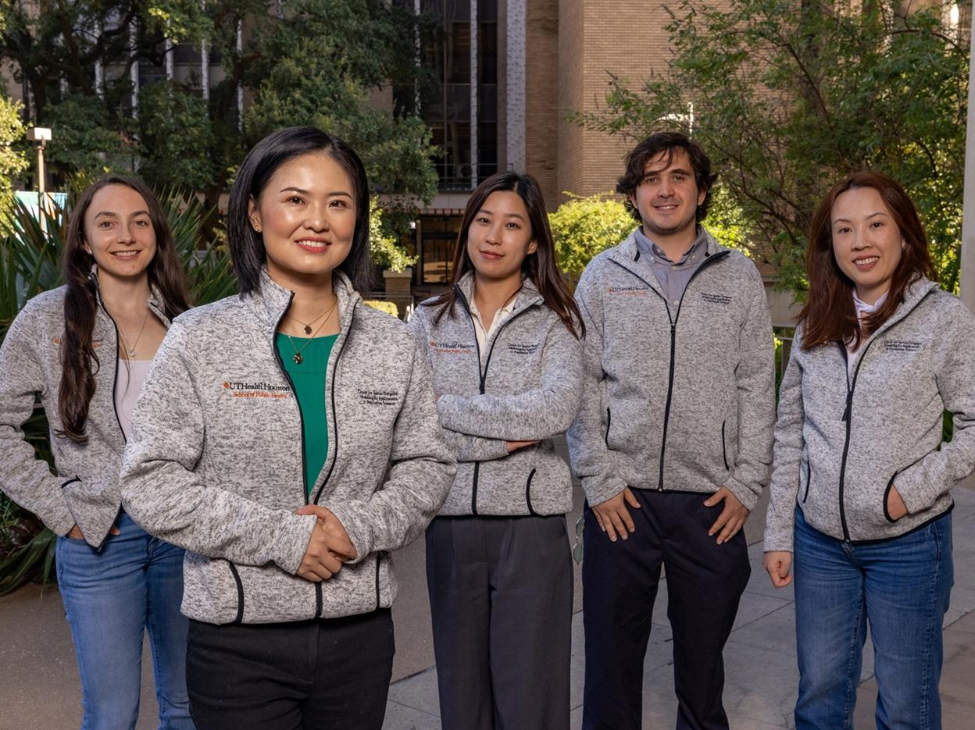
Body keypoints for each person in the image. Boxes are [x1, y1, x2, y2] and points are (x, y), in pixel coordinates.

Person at [118, 126, 455, 730]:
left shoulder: (395, 345)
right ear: (254, 211)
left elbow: (427, 467)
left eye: (338, 202)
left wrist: (356, 527)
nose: (317, 220)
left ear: (357, 219)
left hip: (360, 640)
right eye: (295, 199)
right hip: (238, 645)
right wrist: (282, 538)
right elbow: (150, 480)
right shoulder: (200, 338)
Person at [567, 131, 776, 729]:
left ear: (701, 190)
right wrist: (599, 480)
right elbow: (581, 381)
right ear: (633, 195)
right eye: (651, 179)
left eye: (678, 177)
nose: (665, 190)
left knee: (703, 673)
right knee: (609, 668)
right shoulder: (602, 275)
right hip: (620, 503)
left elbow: (758, 385)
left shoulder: (738, 276)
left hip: (710, 504)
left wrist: (745, 484)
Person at [763, 171, 975, 729]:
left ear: (903, 233)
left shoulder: (943, 319)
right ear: (829, 245)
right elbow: (790, 433)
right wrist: (780, 532)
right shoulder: (815, 322)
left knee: (906, 708)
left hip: (908, 547)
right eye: (844, 229)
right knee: (819, 699)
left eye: (875, 224)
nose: (861, 242)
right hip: (820, 545)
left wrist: (910, 490)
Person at [0, 175, 193, 729]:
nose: (125, 235)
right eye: (106, 223)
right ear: (84, 239)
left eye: (138, 221)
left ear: (156, 232)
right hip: (100, 541)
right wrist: (63, 509)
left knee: (189, 707)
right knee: (111, 714)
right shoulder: (46, 319)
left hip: (184, 536)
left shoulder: (186, 321)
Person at [409, 171, 584, 729]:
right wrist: (504, 438)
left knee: (530, 697)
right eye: (483, 220)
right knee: (462, 699)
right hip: (451, 524)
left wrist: (448, 407)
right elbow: (410, 421)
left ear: (532, 242)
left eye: (512, 225)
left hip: (531, 532)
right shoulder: (427, 320)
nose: (493, 235)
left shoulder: (559, 322)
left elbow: (554, 411)